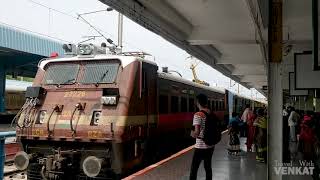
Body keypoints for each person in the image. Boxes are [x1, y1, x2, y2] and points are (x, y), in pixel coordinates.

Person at [190, 94, 214, 180]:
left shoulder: (198, 114)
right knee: (208, 167)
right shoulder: (210, 112)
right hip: (210, 145)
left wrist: (191, 133)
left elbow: (197, 133)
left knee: (194, 169)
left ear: (198, 102)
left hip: (200, 146)